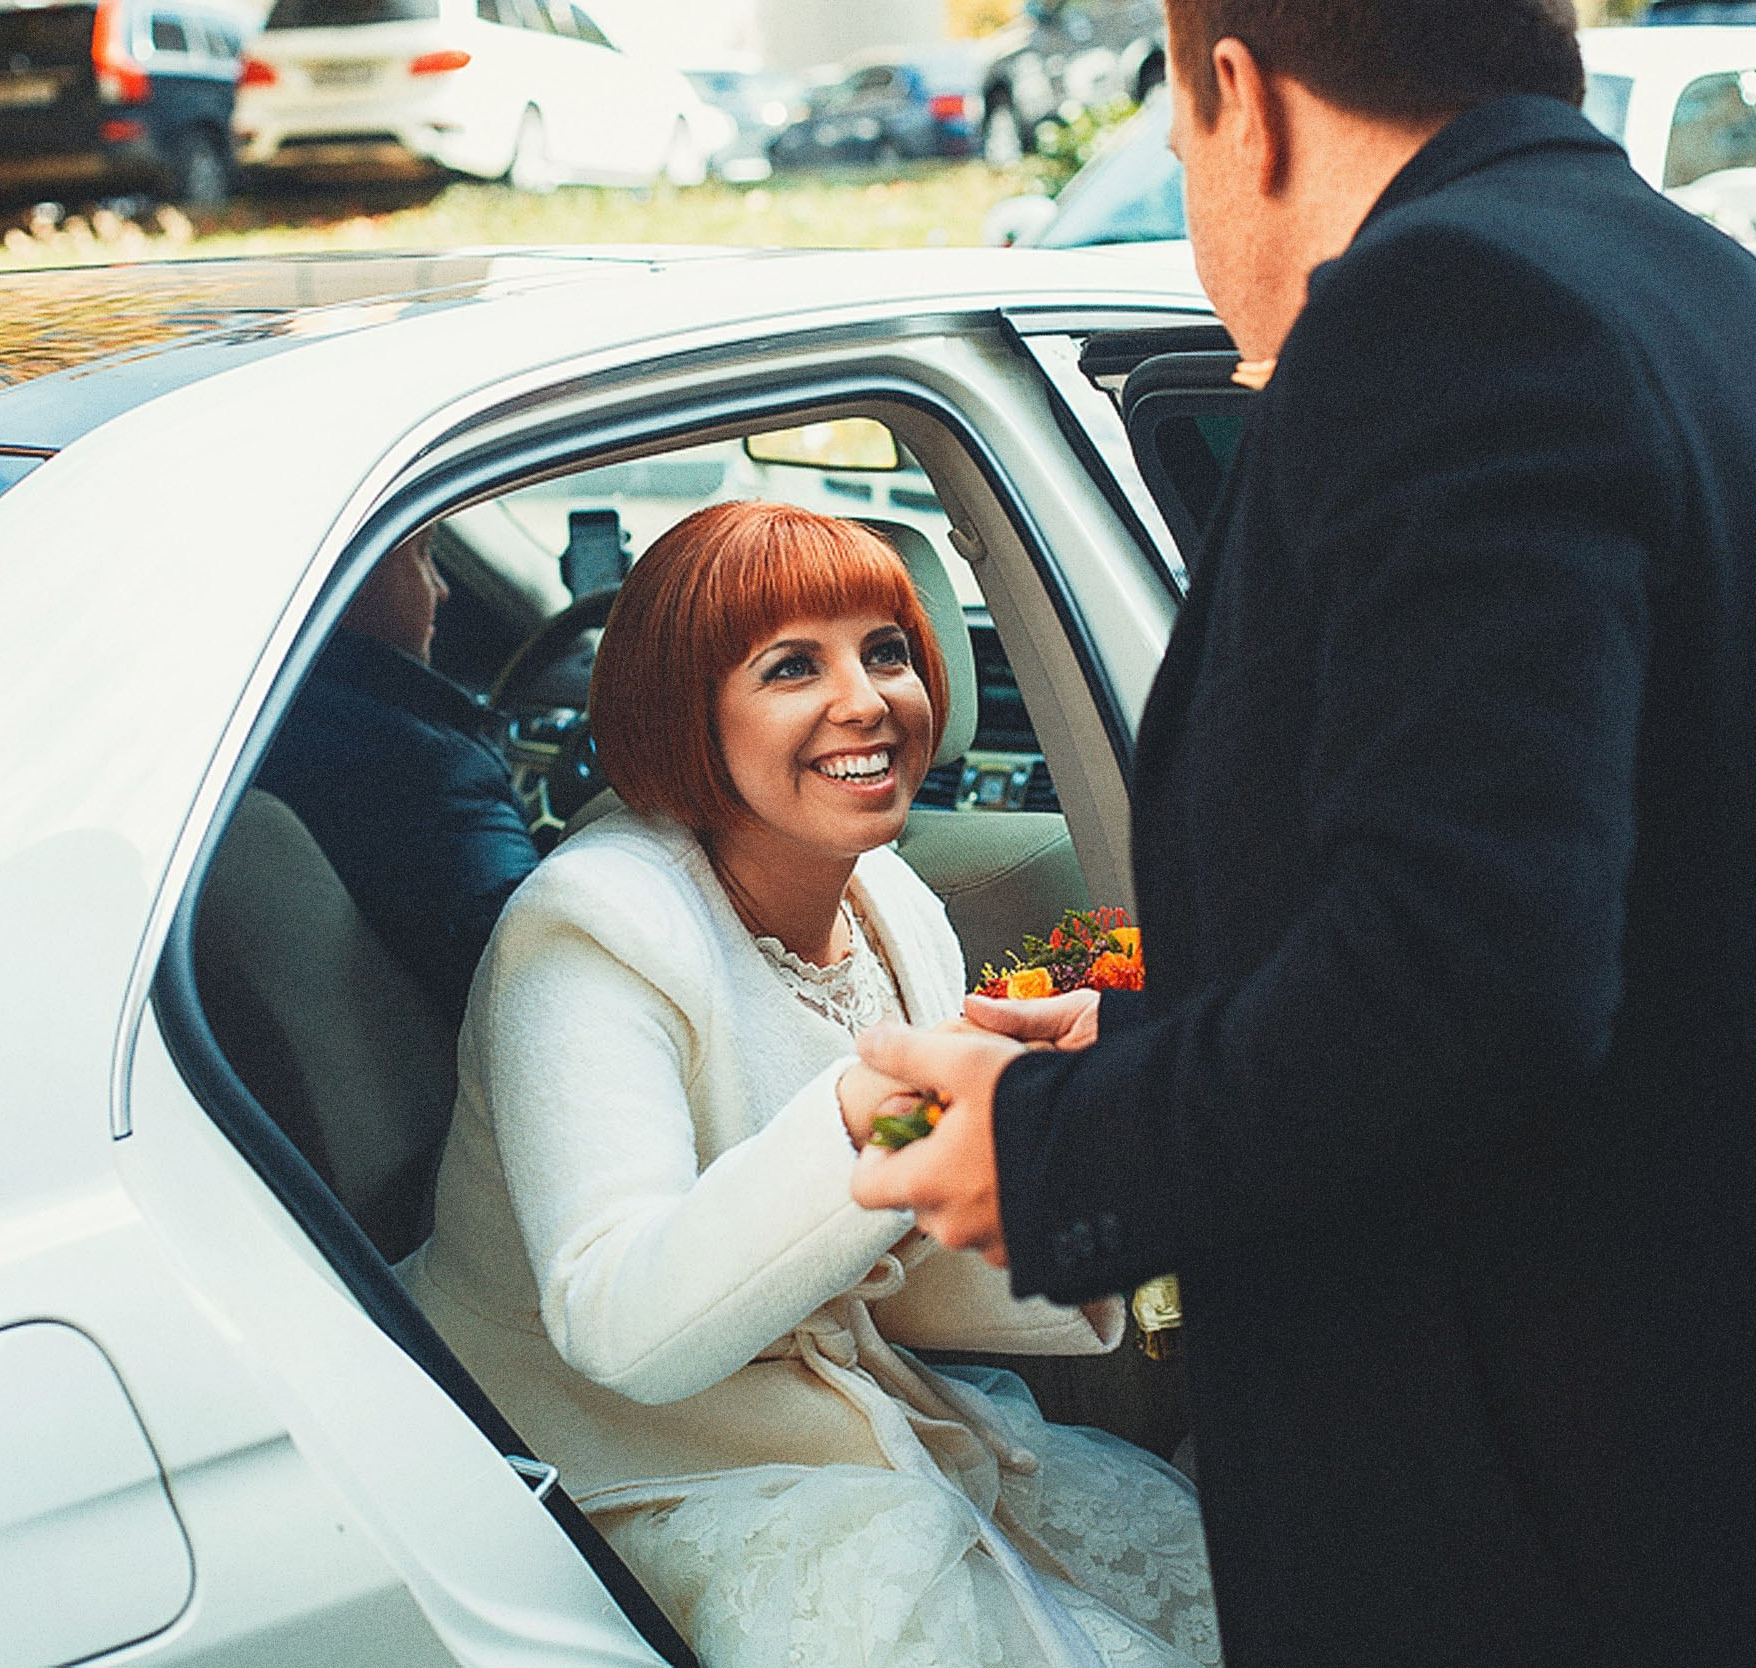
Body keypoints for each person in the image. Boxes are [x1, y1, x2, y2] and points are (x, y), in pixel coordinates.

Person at [842, 2, 1756, 1663]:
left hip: (1584, 1553)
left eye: (1175, 128)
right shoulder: (1717, 297)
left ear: (1235, 94)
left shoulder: (1447, 314)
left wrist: (1050, 1151)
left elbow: (1475, 959)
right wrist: (1138, 1043)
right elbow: (1620, 923)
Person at [400, 501, 1221, 1668]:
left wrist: (1062, 1142)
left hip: (841, 1424)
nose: (865, 699)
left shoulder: (891, 900)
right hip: (615, 1471)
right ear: (686, 715)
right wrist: (883, 1113)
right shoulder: (589, 929)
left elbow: (886, 1259)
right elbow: (617, 1323)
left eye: (886, 651)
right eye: (792, 666)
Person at [256, 528, 538, 1023]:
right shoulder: (431, 773)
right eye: (422, 556)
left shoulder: (269, 730)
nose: (442, 588)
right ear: (346, 579)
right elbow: (537, 969)